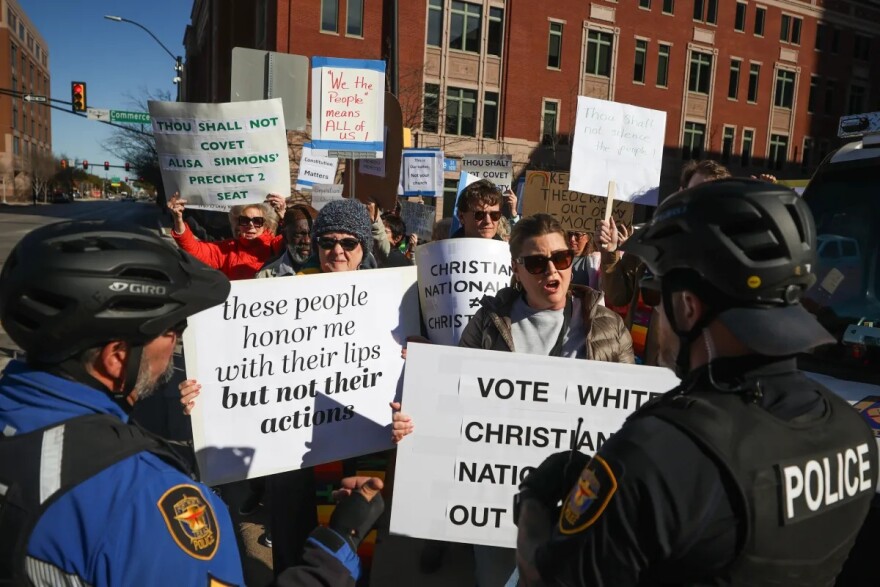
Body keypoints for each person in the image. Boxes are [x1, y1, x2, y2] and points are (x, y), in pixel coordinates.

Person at [514, 179, 878, 586]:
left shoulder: (658, 454)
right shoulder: (853, 432)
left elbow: (545, 579)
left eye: (657, 297)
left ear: (687, 306)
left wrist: (535, 500)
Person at [180, 198, 413, 580]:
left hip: (361, 440)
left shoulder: (392, 296)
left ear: (363, 248)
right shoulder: (283, 294)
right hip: (293, 450)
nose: (337, 251)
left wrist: (413, 367)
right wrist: (203, 395)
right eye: (327, 242)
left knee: (356, 542)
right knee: (293, 542)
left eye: (349, 242)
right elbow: (238, 365)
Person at [0, 220, 244, 585]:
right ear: (116, 357)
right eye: (172, 329)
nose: (179, 339)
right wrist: (328, 558)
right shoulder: (147, 498)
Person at [457, 213, 633, 586]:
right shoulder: (488, 324)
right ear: (516, 270)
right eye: (536, 263)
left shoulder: (608, 327)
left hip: (581, 497)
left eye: (562, 258)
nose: (551, 269)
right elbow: (456, 400)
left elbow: (624, 419)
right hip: (500, 501)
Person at [599, 160, 731, 365]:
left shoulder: (727, 257)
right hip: (641, 368)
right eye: (695, 192)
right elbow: (618, 296)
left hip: (694, 373)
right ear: (681, 193)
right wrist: (610, 252)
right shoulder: (650, 241)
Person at [168, 193, 285, 280]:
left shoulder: (274, 245)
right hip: (237, 307)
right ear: (237, 224)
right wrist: (178, 219)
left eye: (257, 221)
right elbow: (195, 250)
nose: (250, 225)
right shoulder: (227, 249)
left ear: (266, 224)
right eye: (244, 220)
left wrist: (284, 215)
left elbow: (293, 242)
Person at [257, 204, 319, 278]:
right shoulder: (266, 275)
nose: (307, 241)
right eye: (299, 234)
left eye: (312, 233)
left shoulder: (330, 269)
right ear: (285, 237)